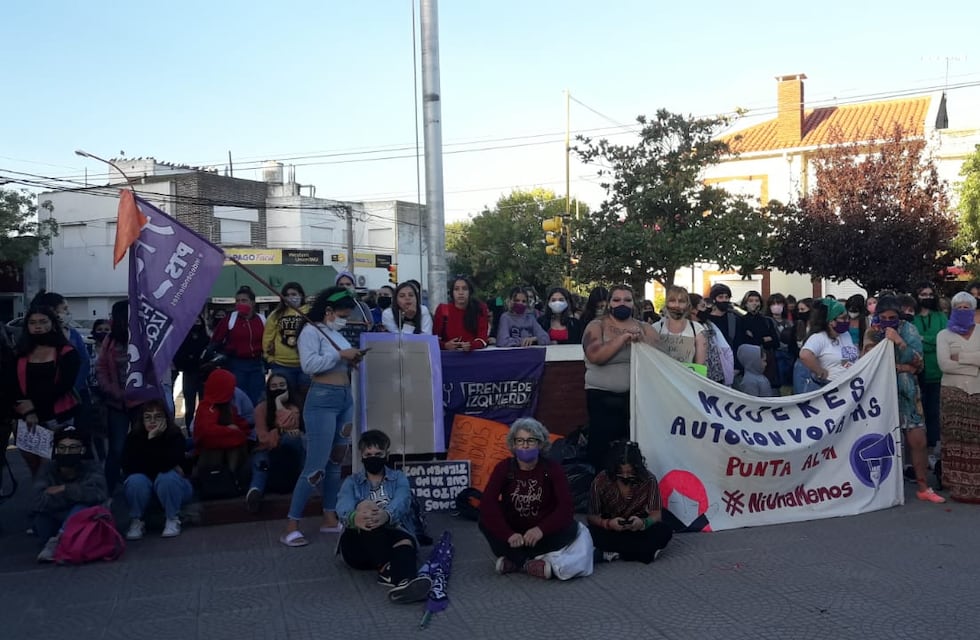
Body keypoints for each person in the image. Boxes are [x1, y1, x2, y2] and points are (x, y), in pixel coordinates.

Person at [282, 286, 365, 546]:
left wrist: (350, 359)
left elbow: (336, 360)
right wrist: (340, 354)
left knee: (336, 461)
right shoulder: (310, 331)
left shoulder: (335, 334)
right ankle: (292, 524)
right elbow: (309, 366)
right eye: (343, 314)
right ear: (329, 311)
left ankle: (330, 517)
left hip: (344, 398)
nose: (345, 319)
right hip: (322, 400)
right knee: (315, 466)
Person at [864, 295, 944, 504]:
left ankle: (923, 487)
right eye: (883, 317)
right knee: (881, 441)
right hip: (881, 392)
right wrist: (903, 367)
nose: (887, 321)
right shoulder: (872, 332)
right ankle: (879, 488)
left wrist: (899, 342)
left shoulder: (909, 330)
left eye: (892, 318)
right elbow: (870, 362)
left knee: (918, 439)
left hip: (908, 392)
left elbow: (919, 362)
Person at [336, 429, 432, 602]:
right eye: (368, 454)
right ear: (362, 456)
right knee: (367, 508)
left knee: (405, 540)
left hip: (391, 537)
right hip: (357, 547)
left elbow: (403, 500)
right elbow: (343, 505)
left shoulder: (398, 478)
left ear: (386, 454)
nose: (373, 458)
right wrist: (354, 517)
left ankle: (403, 583)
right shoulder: (352, 482)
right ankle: (397, 573)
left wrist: (387, 515)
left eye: (378, 454)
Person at [479, 418, 577, 579]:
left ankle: (514, 561)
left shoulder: (553, 468)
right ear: (513, 444)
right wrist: (508, 534)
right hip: (514, 535)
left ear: (540, 444)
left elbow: (566, 507)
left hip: (542, 533)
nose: (525, 445)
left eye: (531, 440)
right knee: (484, 520)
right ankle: (527, 563)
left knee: (571, 527)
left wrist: (541, 529)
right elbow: (487, 503)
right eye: (520, 441)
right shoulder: (504, 468)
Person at [583, 285, 659, 468]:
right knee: (602, 449)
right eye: (616, 300)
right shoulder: (596, 325)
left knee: (634, 450)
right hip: (602, 397)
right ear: (609, 303)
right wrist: (622, 338)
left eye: (627, 300)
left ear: (634, 304)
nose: (622, 304)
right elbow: (595, 356)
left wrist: (642, 340)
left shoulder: (645, 328)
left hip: (636, 399)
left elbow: (660, 358)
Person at [9, 305, 82, 477]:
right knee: (35, 467)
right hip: (25, 417)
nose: (38, 326)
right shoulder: (20, 352)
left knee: (54, 465)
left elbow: (64, 385)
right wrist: (27, 411)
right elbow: (11, 383)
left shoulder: (67, 352)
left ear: (53, 324)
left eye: (43, 322)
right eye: (33, 322)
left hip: (57, 415)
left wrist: (33, 405)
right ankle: (41, 493)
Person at [587, 441, 672, 563]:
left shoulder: (649, 479)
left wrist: (643, 523)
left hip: (637, 528)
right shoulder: (601, 480)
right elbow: (591, 516)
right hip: (611, 529)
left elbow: (656, 515)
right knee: (587, 533)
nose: (626, 476)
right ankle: (639, 552)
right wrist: (608, 523)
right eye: (621, 472)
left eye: (630, 472)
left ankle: (617, 552)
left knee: (664, 530)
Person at [32, 427, 108, 562]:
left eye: (73, 448)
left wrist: (64, 489)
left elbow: (99, 494)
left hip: (82, 519)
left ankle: (58, 541)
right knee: (41, 516)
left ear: (82, 450)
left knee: (82, 508)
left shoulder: (92, 467)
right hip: (54, 518)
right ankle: (60, 542)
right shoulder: (47, 469)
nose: (67, 452)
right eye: (62, 448)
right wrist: (77, 494)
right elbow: (38, 501)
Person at [121, 400, 192, 540]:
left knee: (167, 477)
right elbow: (129, 466)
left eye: (158, 416)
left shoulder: (175, 436)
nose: (152, 421)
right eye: (148, 417)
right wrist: (151, 440)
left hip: (176, 488)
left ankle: (172, 518)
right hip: (145, 488)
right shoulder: (133, 438)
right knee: (135, 480)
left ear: (165, 418)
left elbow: (172, 463)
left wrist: (151, 456)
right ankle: (137, 520)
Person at [936, 292, 980, 502]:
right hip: (953, 392)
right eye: (959, 307)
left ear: (973, 310)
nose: (963, 311)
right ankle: (957, 485)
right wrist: (975, 366)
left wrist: (960, 357)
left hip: (978, 391)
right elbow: (944, 364)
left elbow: (953, 361)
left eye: (966, 307)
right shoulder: (943, 335)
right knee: (955, 438)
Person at [97, 301, 142, 493]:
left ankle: (141, 484)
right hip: (117, 403)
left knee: (143, 444)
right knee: (116, 448)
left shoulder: (143, 337)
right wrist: (111, 390)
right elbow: (101, 367)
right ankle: (109, 490)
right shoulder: (110, 340)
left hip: (141, 402)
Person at [246, 374, 305, 513]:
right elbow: (262, 437)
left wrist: (278, 402)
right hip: (266, 449)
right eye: (274, 386)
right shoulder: (261, 408)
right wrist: (278, 434)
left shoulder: (294, 407)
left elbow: (288, 425)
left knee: (292, 438)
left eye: (281, 385)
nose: (278, 389)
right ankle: (255, 492)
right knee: (261, 461)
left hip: (290, 453)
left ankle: (302, 487)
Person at [210, 285, 266, 405]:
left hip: (257, 364)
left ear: (253, 303)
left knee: (258, 397)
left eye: (244, 300)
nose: (240, 303)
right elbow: (216, 340)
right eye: (237, 301)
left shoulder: (262, 320)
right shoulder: (230, 319)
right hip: (237, 364)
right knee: (239, 397)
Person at [913, 282, 947, 464]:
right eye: (923, 294)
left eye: (930, 294)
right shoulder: (912, 318)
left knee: (934, 412)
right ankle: (919, 452)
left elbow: (943, 338)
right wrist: (931, 342)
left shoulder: (940, 316)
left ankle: (933, 450)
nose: (927, 297)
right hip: (917, 371)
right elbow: (912, 342)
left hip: (937, 371)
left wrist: (923, 339)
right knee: (919, 414)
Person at [193, 368, 251, 475]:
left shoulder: (229, 407)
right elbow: (207, 433)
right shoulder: (206, 407)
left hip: (229, 456)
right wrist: (233, 432)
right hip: (210, 458)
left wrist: (240, 431)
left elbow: (243, 426)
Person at [794, 298, 858, 393]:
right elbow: (805, 355)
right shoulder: (819, 337)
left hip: (849, 385)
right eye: (843, 318)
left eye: (848, 318)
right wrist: (820, 371)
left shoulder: (846, 335)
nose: (847, 321)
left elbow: (845, 357)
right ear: (831, 321)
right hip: (831, 387)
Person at [263, 282, 311, 398]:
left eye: (294, 294)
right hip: (281, 365)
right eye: (287, 295)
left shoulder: (311, 313)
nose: (290, 297)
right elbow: (267, 337)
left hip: (305, 365)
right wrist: (269, 358)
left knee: (305, 397)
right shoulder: (276, 314)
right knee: (285, 397)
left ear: (301, 295)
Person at [173, 312, 210, 429]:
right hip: (189, 374)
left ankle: (204, 426)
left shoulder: (206, 339)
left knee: (204, 403)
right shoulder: (183, 339)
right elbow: (179, 356)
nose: (196, 324)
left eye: (198, 321)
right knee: (189, 405)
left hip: (204, 375)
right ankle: (189, 428)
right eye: (193, 321)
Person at [651, 286, 706, 365]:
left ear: (687, 305)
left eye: (681, 301)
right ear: (666, 304)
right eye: (672, 301)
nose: (677, 305)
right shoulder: (656, 328)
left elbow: (700, 365)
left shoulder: (697, 330)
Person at [433, 276, 490, 350]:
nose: (460, 293)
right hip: (449, 355)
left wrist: (471, 345)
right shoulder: (442, 310)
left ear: (470, 292)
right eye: (456, 289)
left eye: (464, 289)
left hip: (473, 354)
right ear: (452, 292)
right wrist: (445, 345)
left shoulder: (480, 308)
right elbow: (434, 340)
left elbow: (483, 339)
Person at [766, 293, 795, 388]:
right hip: (774, 356)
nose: (776, 306)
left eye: (779, 303)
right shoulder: (767, 321)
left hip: (789, 355)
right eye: (773, 304)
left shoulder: (789, 323)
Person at [705, 283, 741, 351]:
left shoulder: (734, 318)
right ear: (714, 299)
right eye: (720, 297)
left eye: (726, 297)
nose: (724, 300)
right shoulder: (705, 318)